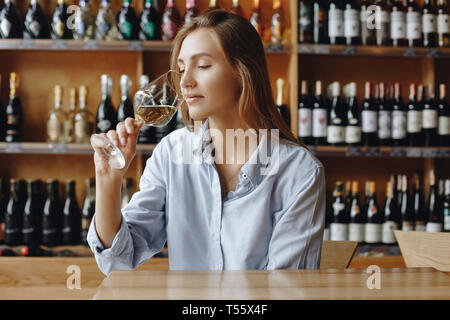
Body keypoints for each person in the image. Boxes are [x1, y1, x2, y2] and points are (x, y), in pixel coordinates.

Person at [88, 10, 326, 275]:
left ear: (243, 71)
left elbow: (284, 289)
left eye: (202, 66)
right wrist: (108, 180)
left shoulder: (299, 171)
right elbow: (117, 261)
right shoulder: (170, 153)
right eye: (180, 69)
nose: (185, 81)